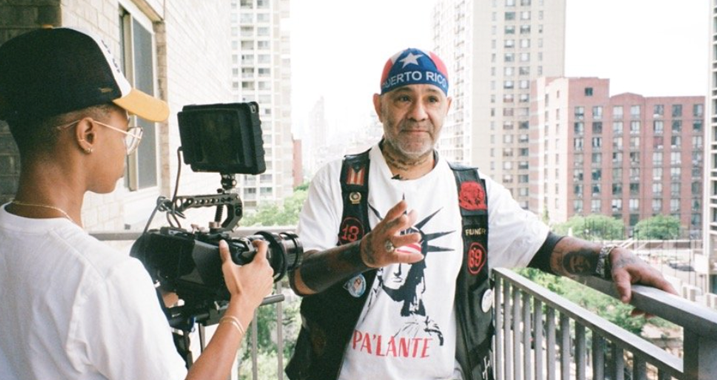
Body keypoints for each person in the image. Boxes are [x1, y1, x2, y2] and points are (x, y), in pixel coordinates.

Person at [285, 48, 677, 380]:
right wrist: (364, 255)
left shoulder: (474, 193)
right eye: (403, 97)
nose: (418, 113)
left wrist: (609, 259)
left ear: (447, 107)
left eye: (432, 99)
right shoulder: (338, 179)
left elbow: (545, 248)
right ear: (379, 106)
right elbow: (301, 276)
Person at [0, 27, 274, 380]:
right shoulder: (105, 278)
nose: (130, 146)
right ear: (88, 134)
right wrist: (243, 304)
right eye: (128, 132)